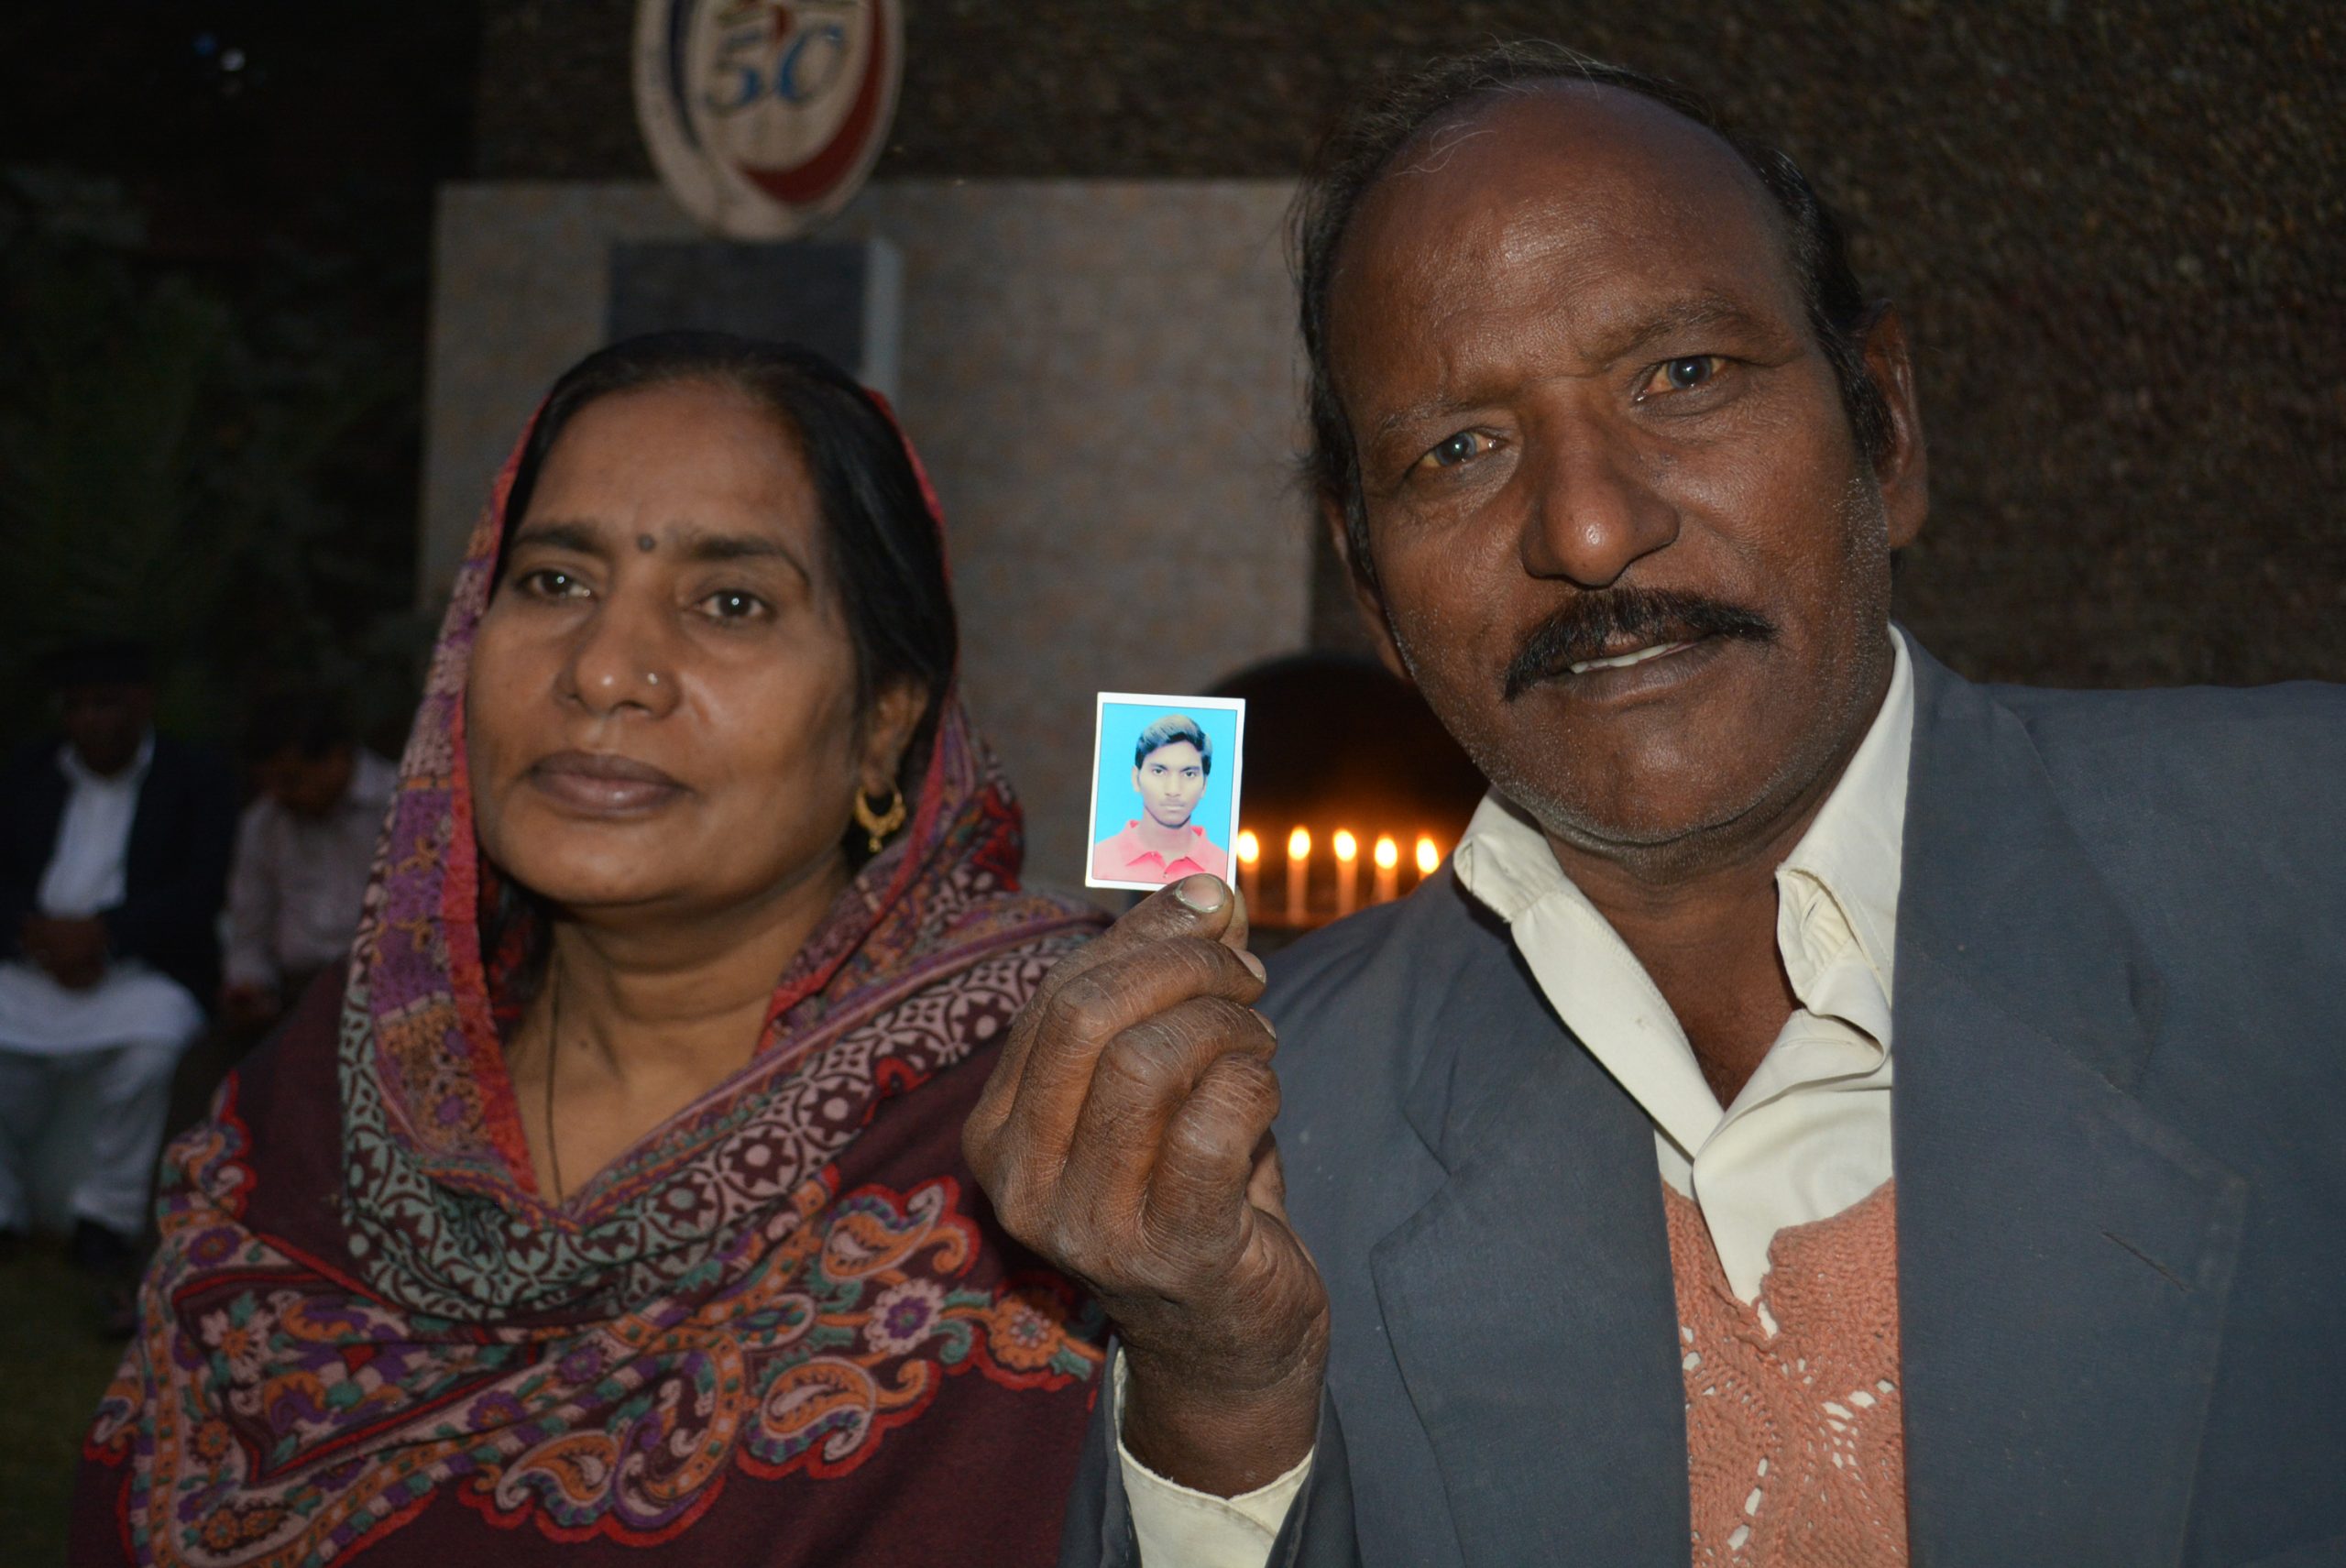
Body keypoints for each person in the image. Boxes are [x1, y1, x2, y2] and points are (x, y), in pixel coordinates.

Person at [966, 44, 2346, 1568]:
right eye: (1460, 450)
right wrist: (1221, 1392)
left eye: (1681, 378)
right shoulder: (1267, 1143)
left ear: (1885, 432)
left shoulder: (2301, 872)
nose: (1592, 526)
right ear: (1374, 590)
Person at [74, 333, 1112, 1566]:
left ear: (886, 721)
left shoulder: (1048, 1117)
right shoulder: (318, 1098)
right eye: (556, 580)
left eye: (732, 602)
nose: (604, 669)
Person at [0, 641, 236, 1274]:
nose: (91, 721)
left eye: (106, 704)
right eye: (76, 707)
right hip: (31, 963)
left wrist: (106, 934)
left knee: (150, 1052)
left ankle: (107, 1217)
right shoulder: (29, 771)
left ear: (142, 703)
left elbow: (200, 888)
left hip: (140, 972)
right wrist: (40, 935)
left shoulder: (195, 777)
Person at [220, 688, 397, 1031]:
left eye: (291, 780)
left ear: (338, 757)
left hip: (389, 996)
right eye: (269, 784)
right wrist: (249, 986)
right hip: (296, 998)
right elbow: (249, 934)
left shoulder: (404, 803)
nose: (279, 796)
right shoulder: (264, 824)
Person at [1090, 714, 1228, 883]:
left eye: (1189, 774)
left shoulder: (1225, 867)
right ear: (1136, 779)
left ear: (1205, 785)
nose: (1173, 790)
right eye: (1159, 771)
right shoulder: (1098, 860)